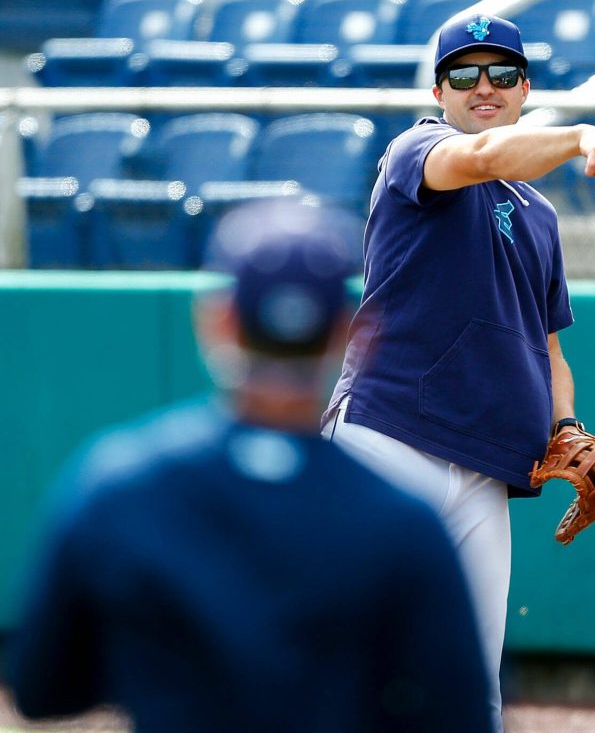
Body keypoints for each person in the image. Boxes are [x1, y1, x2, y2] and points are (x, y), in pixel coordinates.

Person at [9, 198, 494, 733]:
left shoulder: (120, 482)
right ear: (349, 332)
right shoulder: (402, 520)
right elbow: (459, 713)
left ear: (220, 319)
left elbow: (41, 688)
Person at [321, 13, 595, 731]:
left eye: (500, 72)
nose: (482, 86)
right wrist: (582, 136)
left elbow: (548, 350)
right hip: (388, 439)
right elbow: (487, 155)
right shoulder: (418, 150)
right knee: (355, 668)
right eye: (464, 73)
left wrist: (564, 425)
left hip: (483, 467)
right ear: (439, 89)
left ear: (524, 86)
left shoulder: (541, 215)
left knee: (468, 688)